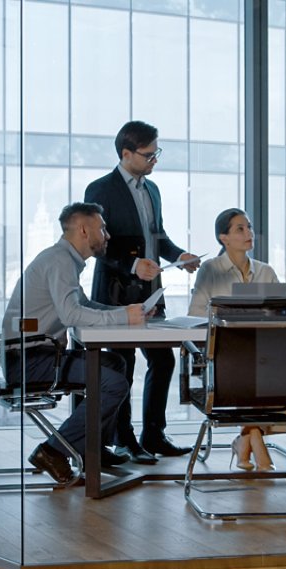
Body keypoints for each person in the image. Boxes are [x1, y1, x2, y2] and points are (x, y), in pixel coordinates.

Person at [2, 203, 145, 484]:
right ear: (83, 229)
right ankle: (53, 450)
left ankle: (93, 449)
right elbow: (71, 314)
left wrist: (128, 313)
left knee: (116, 362)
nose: (107, 235)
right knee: (113, 383)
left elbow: (83, 304)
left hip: (35, 355)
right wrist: (122, 316)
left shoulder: (62, 259)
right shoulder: (60, 261)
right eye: (102, 228)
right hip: (28, 360)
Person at [84, 121, 200, 464]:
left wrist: (178, 256)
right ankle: (124, 440)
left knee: (162, 359)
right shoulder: (100, 189)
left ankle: (154, 434)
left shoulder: (152, 190)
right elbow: (97, 244)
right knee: (123, 363)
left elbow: (158, 236)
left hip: (151, 290)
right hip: (117, 291)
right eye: (149, 155)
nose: (154, 160)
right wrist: (133, 266)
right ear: (126, 153)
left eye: (156, 153)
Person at [188, 208, 278, 471]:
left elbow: (282, 315)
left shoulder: (266, 272)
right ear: (223, 238)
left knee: (269, 368)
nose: (249, 233)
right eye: (240, 229)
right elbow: (195, 314)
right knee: (254, 370)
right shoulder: (210, 270)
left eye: (249, 227)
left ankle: (247, 440)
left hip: (261, 354)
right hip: (224, 357)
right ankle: (255, 440)